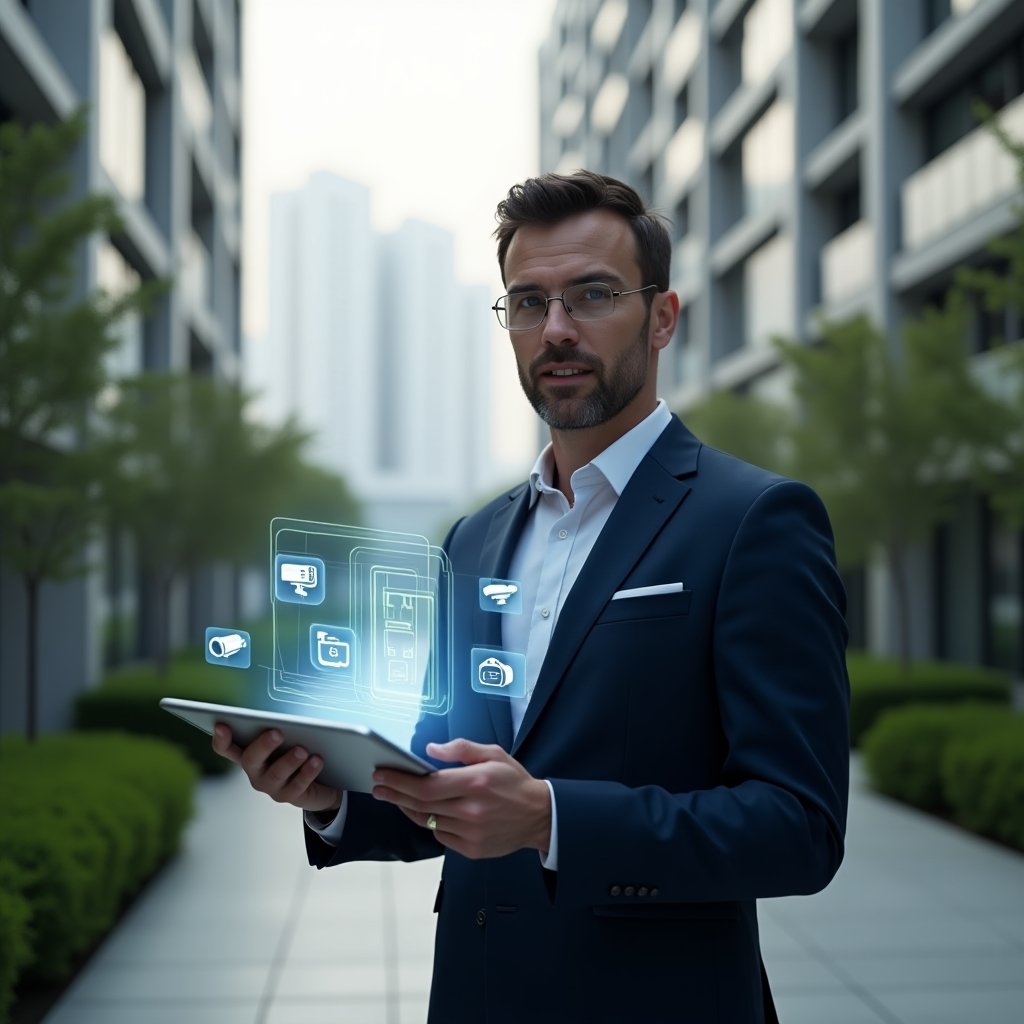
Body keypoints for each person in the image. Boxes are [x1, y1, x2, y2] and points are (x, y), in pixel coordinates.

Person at [213, 170, 850, 1023]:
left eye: (591, 295)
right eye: (527, 302)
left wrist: (553, 819)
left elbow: (799, 827)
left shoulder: (755, 520)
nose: (555, 330)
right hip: (477, 994)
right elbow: (444, 785)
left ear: (663, 316)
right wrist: (329, 795)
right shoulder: (474, 539)